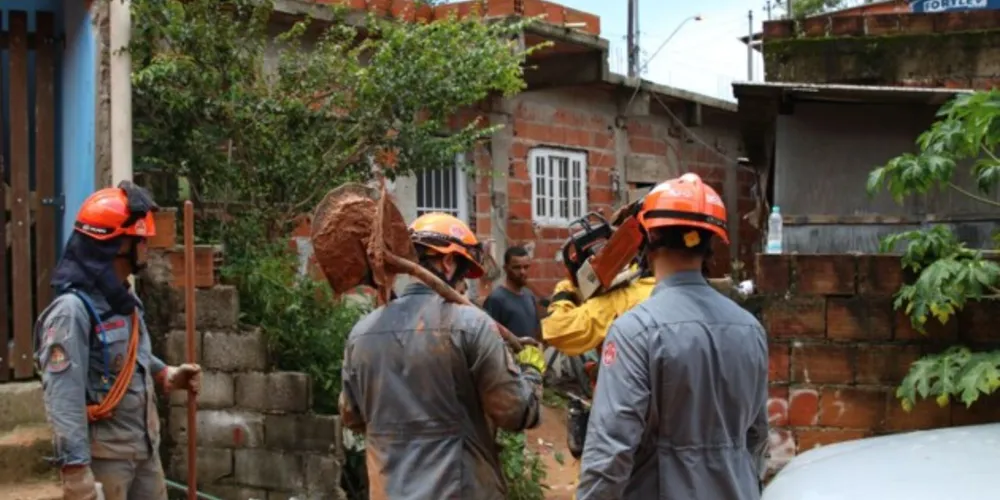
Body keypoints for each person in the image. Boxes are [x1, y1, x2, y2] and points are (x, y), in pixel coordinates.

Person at [576, 173, 769, 500]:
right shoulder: (750, 328)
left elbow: (610, 452)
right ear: (710, 248)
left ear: (648, 242)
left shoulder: (635, 331)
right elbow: (757, 437)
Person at [338, 212, 546, 499]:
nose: (464, 286)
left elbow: (351, 415)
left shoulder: (361, 334)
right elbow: (516, 412)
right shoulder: (472, 325)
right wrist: (531, 370)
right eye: (463, 274)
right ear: (448, 262)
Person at [34, 182, 202, 500]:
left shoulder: (123, 298)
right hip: (106, 461)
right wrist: (76, 474)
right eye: (141, 241)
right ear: (118, 245)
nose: (147, 249)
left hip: (144, 450)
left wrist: (167, 374)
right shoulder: (72, 312)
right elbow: (63, 398)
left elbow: (130, 354)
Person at [483, 245, 541, 340]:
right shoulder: (496, 299)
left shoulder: (529, 296)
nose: (522, 272)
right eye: (517, 267)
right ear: (506, 268)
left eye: (526, 267)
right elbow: (489, 337)